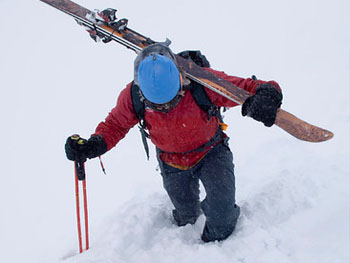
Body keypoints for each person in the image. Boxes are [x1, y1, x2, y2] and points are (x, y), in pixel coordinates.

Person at [65, 43, 283, 243]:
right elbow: (115, 125)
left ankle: (214, 247)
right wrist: (94, 144)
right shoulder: (133, 95)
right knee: (185, 217)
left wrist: (268, 95)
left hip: (212, 152)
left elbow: (250, 87)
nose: (166, 108)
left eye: (173, 99)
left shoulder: (203, 82)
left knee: (221, 220)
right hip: (172, 162)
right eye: (158, 106)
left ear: (180, 80)